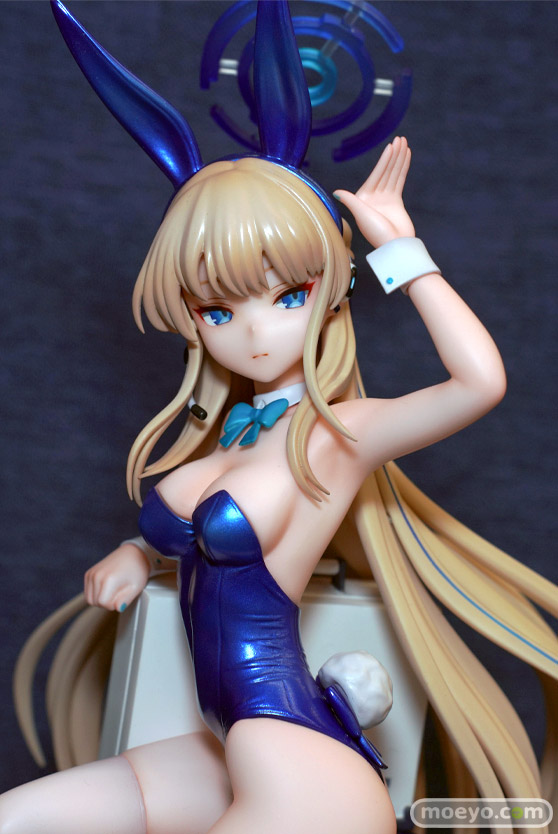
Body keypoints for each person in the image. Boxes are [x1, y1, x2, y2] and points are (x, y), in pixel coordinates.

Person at [3, 2, 558, 833]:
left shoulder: (338, 435)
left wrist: (399, 251)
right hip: (220, 748)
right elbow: (191, 539)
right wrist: (134, 553)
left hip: (299, 766)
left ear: (329, 292)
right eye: (218, 310)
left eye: (288, 296)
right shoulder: (228, 436)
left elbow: (478, 384)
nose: (255, 333)